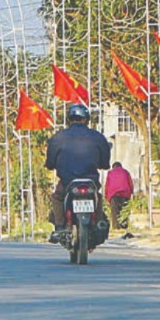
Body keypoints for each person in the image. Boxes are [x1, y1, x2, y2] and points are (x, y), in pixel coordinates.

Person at [43, 102, 111, 241]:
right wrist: (103, 164)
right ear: (86, 119)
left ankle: (60, 227)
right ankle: (98, 222)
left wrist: (51, 165)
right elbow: (105, 161)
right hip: (91, 181)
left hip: (67, 181)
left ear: (69, 119)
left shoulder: (58, 137)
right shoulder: (98, 137)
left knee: (57, 198)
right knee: (97, 198)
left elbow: (50, 161)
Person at [103, 160, 135, 227]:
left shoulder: (110, 173)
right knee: (124, 210)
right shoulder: (126, 172)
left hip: (113, 194)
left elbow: (107, 185)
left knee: (115, 212)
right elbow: (130, 183)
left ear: (113, 167)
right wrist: (132, 192)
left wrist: (106, 197)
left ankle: (116, 226)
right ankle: (124, 225)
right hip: (125, 194)